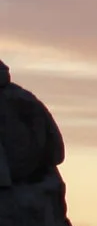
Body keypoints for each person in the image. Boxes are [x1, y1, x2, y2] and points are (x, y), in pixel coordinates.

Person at [0, 59, 66, 189]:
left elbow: (56, 151)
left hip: (19, 178)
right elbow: (56, 151)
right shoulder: (23, 96)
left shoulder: (17, 98)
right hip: (36, 178)